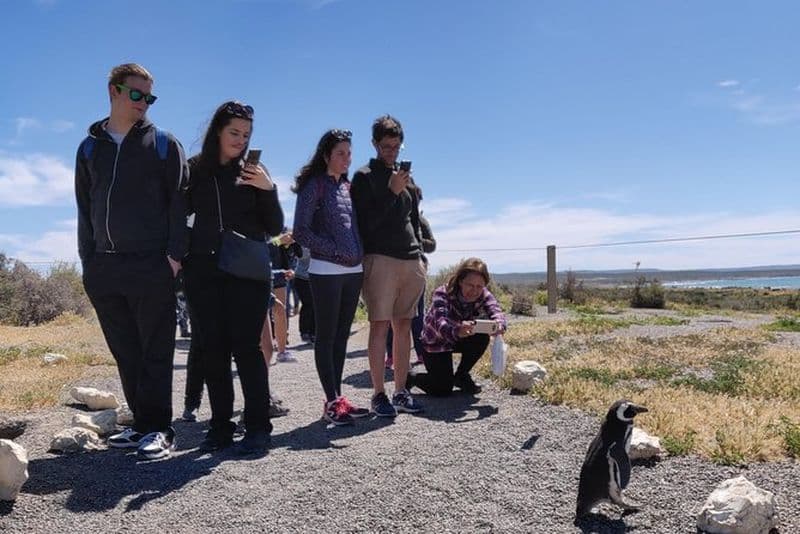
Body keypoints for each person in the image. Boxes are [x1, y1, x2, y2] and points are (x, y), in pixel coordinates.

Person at [75, 63, 187, 460]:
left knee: (155, 350)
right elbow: (84, 209)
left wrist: (173, 258)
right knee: (126, 351)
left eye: (149, 97)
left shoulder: (164, 144)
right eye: (136, 94)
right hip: (104, 266)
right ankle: (141, 424)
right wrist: (88, 262)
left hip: (151, 262)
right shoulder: (89, 148)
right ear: (114, 91)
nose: (144, 103)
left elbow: (180, 204)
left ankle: (160, 429)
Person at [182, 100, 282, 455]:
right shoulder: (194, 170)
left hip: (248, 273)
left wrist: (268, 189)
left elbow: (275, 227)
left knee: (247, 349)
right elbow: (178, 216)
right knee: (213, 351)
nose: (241, 140)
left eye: (246, 134)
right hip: (203, 271)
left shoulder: (255, 172)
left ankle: (258, 427)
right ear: (218, 132)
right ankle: (220, 427)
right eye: (234, 133)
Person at [351, 115, 426, 417]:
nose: (391, 152)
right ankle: (378, 394)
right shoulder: (364, 176)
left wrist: (421, 253)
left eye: (396, 146)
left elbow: (414, 219)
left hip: (410, 258)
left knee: (404, 325)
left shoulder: (406, 178)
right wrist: (391, 191)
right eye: (386, 147)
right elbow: (366, 222)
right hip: (380, 257)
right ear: (374, 144)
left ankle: (401, 391)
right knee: (380, 324)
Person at [293, 128, 368, 426]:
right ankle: (332, 400)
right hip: (325, 270)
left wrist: (358, 254)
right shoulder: (314, 186)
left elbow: (355, 226)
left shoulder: (348, 187)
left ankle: (338, 400)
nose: (347, 159)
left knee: (341, 336)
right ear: (326, 155)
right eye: (340, 153)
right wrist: (335, 251)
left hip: (354, 271)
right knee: (326, 336)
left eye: (349, 153)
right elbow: (301, 231)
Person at [411, 258, 507, 396]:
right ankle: (412, 377)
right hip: (436, 342)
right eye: (470, 285)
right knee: (442, 389)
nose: (474, 291)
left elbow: (496, 310)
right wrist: (457, 330)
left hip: (460, 336)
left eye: (479, 286)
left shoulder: (483, 294)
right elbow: (441, 323)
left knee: (481, 337)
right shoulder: (442, 293)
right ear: (460, 281)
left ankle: (461, 376)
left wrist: (499, 325)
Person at [385, 188, 436, 369]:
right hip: (391, 271)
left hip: (416, 270)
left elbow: (432, 245)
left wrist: (416, 240)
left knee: (417, 315)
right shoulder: (389, 217)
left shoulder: (421, 221)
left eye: (416, 198)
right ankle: (392, 355)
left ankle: (421, 353)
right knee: (390, 315)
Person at [268, 230, 300, 362]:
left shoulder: (277, 227)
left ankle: (282, 350)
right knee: (263, 314)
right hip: (260, 272)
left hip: (279, 273)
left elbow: (297, 253)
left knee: (280, 310)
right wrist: (278, 241)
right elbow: (259, 248)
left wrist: (289, 242)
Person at [293, 246, 316, 343]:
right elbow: (302, 256)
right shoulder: (303, 242)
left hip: (316, 278)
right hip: (302, 278)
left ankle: (313, 332)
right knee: (308, 304)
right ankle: (304, 332)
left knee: (316, 305)